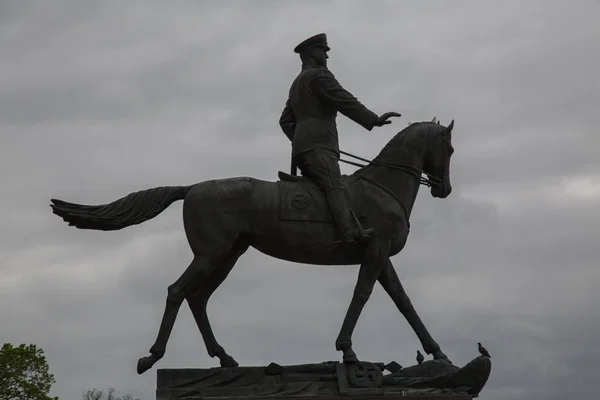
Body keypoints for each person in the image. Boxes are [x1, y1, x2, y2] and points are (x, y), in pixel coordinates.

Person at [279, 33, 401, 243]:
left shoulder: (296, 83)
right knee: (334, 185)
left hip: (304, 148)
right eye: (323, 51)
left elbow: (285, 121)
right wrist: (373, 119)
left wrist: (300, 139)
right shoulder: (319, 76)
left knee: (322, 187)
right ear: (311, 53)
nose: (327, 56)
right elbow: (344, 101)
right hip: (320, 145)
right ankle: (348, 231)